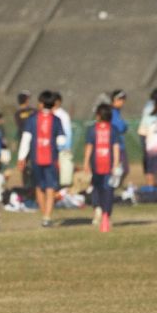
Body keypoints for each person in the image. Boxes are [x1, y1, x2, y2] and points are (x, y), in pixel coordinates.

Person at [17, 91, 65, 228]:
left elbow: (26, 140)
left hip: (35, 158)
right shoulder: (56, 120)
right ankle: (47, 216)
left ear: (41, 104)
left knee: (39, 187)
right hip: (51, 159)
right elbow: (61, 140)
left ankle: (44, 216)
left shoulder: (32, 119)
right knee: (50, 187)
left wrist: (21, 158)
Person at [83, 104, 122, 233]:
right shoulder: (113, 129)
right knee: (107, 190)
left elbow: (89, 147)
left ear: (98, 116)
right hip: (108, 165)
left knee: (97, 188)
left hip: (96, 164)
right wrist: (116, 163)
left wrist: (86, 162)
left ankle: (98, 210)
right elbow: (116, 148)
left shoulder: (92, 129)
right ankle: (106, 214)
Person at [52, 92, 74, 187]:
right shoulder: (48, 113)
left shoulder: (63, 115)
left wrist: (67, 147)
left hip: (61, 148)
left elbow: (67, 133)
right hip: (49, 148)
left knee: (62, 171)